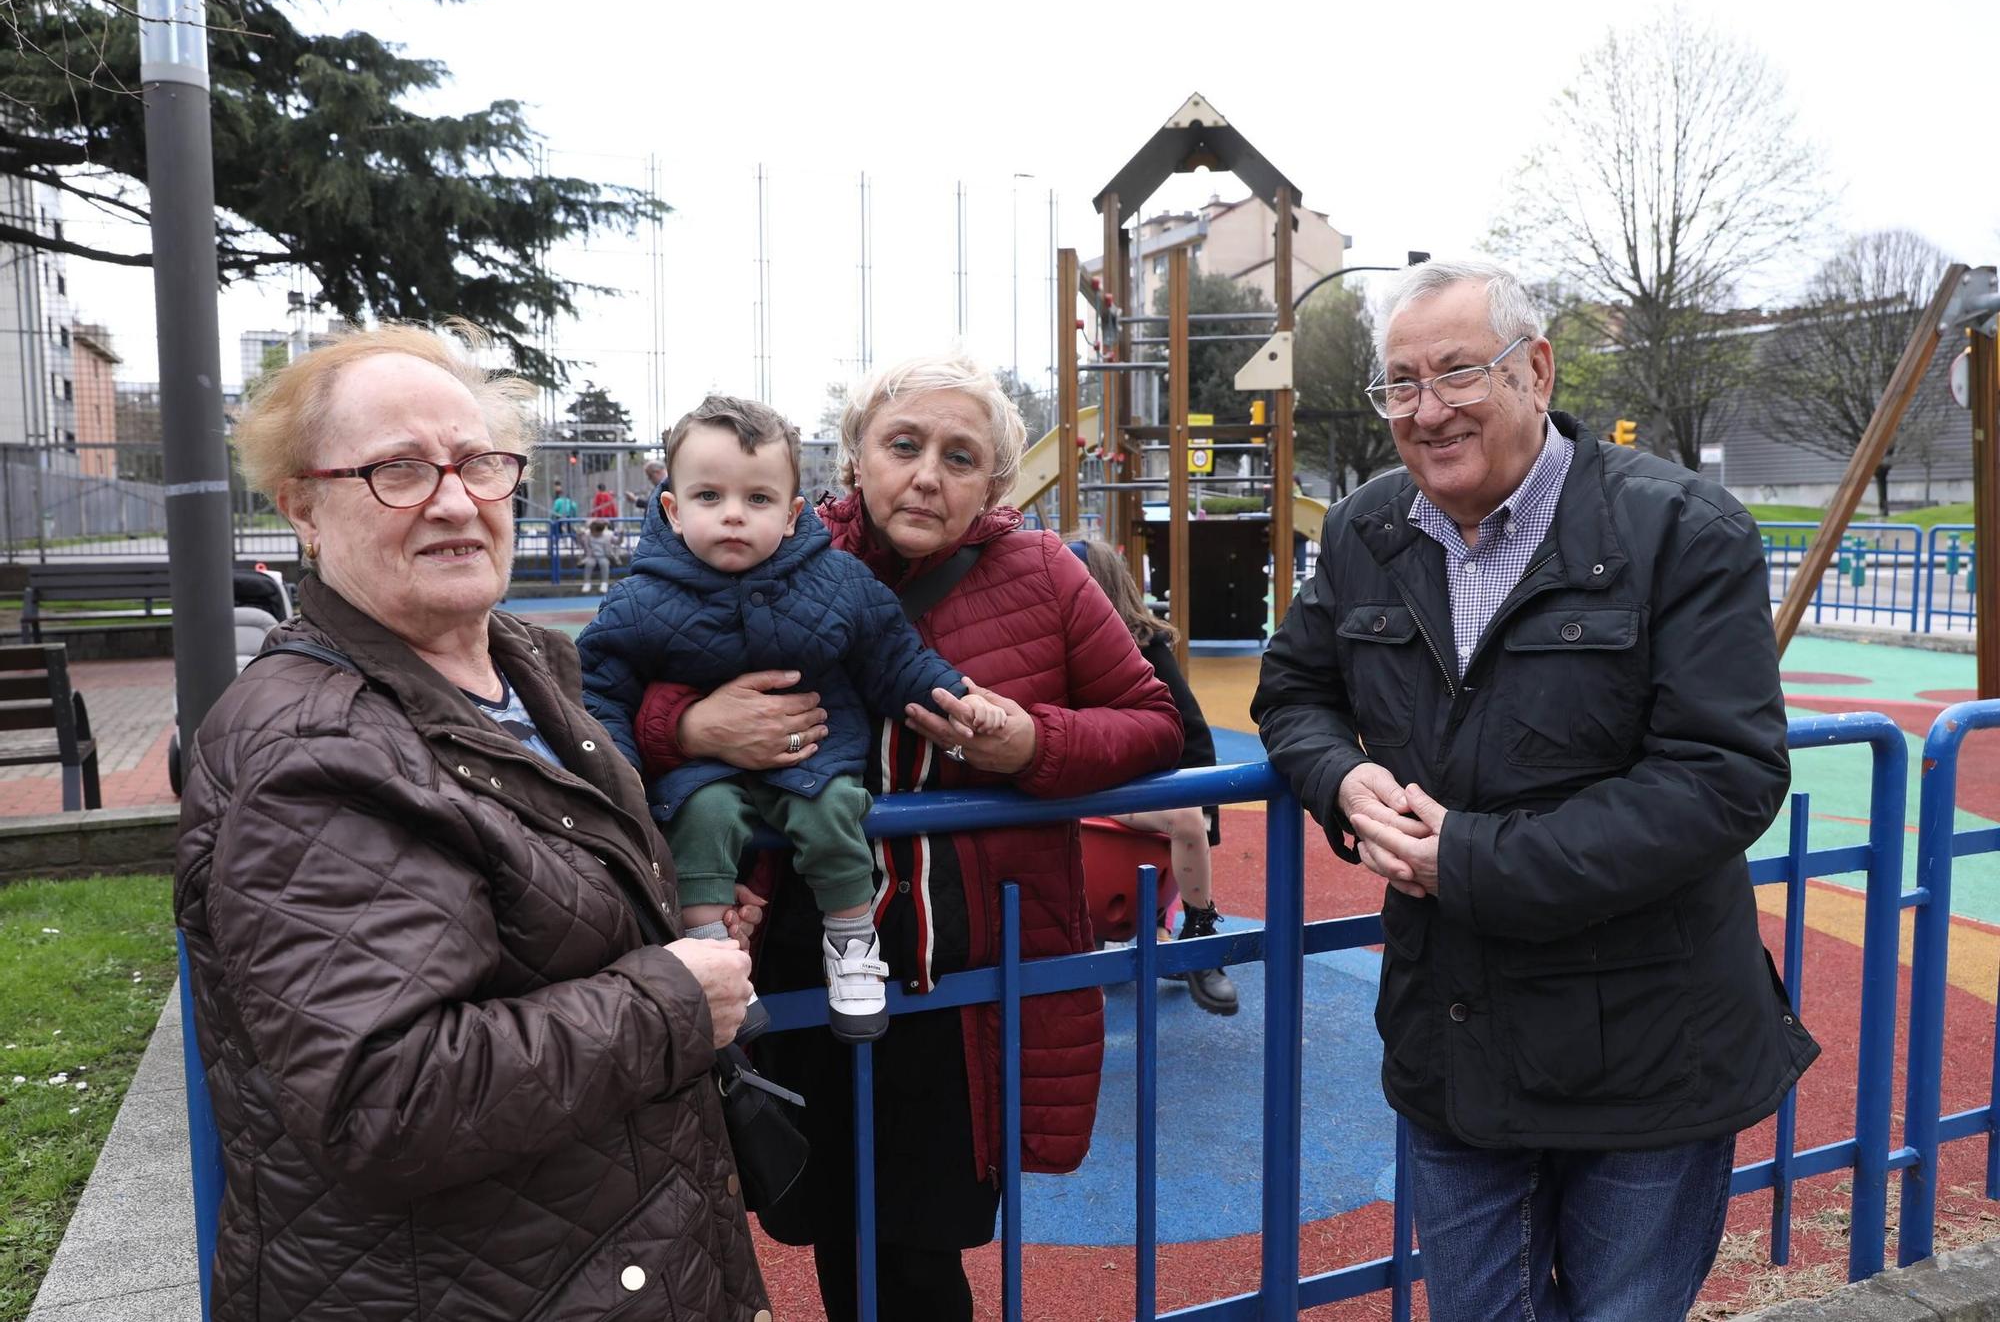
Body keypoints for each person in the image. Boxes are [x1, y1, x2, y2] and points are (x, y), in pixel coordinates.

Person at [1252, 260, 1818, 1321]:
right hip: (1452, 1030)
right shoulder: (1367, 531)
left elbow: (1721, 776)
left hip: (1648, 1044)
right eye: (1400, 384)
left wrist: (1462, 857)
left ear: (1536, 371)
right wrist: (1341, 779)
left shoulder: (1677, 530)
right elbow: (1294, 693)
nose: (1425, 411)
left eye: (1457, 373)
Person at [176, 322, 769, 1321]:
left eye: (480, 463)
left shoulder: (525, 668)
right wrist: (668, 998)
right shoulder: (310, 751)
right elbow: (386, 1096)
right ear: (303, 509)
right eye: (397, 470)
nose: (454, 500)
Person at [616, 352, 1183, 1322]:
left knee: (920, 1248)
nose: (927, 474)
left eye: (959, 456)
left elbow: (1154, 718)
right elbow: (636, 697)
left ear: (996, 483)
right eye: (903, 444)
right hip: (804, 955)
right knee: (833, 1225)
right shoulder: (775, 557)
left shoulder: (1042, 574)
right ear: (855, 458)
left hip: (951, 984)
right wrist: (698, 731)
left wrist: (1027, 742)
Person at [576, 395, 1006, 1042]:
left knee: (835, 812)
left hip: (813, 759)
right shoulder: (640, 600)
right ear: (672, 507)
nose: (731, 515)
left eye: (757, 499)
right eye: (708, 496)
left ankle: (852, 942)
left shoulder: (835, 581)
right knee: (701, 820)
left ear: (791, 513)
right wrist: (620, 766)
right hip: (701, 772)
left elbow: (893, 657)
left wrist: (954, 697)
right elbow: (599, 686)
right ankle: (714, 962)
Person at [1070, 537, 1236, 1015]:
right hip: (1077, 778)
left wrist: (1206, 813)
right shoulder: (1049, 640)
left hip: (1129, 782)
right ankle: (1094, 933)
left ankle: (1198, 933)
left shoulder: (1142, 646)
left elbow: (1193, 731)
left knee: (1184, 818)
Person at [578, 516, 624, 594]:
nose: (593, 533)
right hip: (591, 556)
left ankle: (604, 583)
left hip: (604, 556)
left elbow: (618, 542)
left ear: (600, 531)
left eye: (595, 532)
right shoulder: (588, 534)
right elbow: (580, 542)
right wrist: (578, 535)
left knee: (604, 563)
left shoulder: (608, 535)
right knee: (589, 563)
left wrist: (621, 535)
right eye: (591, 531)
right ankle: (587, 583)